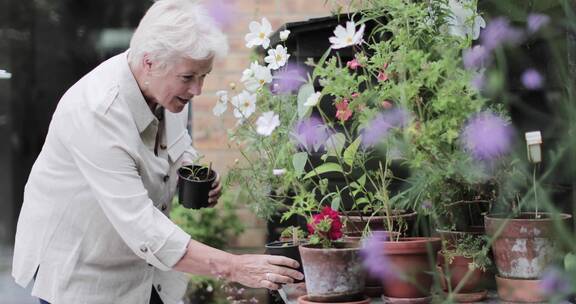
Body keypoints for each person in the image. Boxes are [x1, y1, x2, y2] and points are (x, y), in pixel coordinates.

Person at [11, 0, 303, 303]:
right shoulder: (98, 111)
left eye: (203, 76)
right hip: (81, 271)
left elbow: (178, 149)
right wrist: (235, 266)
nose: (197, 91)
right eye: (189, 77)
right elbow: (141, 227)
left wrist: (192, 173)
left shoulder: (165, 90)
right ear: (149, 62)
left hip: (144, 266)